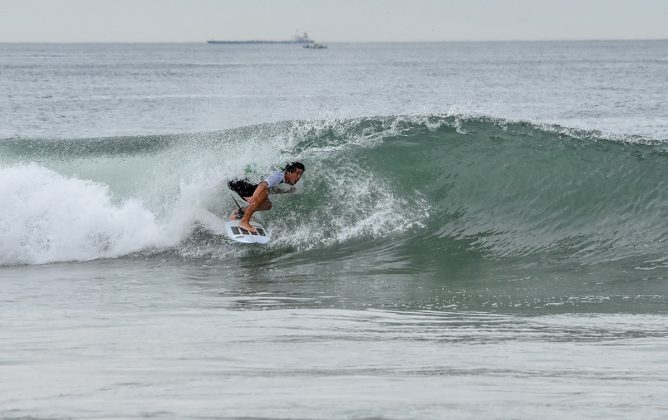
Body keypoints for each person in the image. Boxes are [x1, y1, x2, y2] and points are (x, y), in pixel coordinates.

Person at [227, 161, 305, 233]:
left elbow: (270, 188)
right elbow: (263, 185)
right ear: (289, 172)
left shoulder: (280, 175)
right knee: (264, 191)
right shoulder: (279, 176)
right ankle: (244, 222)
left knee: (267, 205)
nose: (299, 177)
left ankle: (239, 213)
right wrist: (254, 197)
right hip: (237, 181)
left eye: (300, 174)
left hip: (239, 181)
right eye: (297, 173)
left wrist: (284, 191)